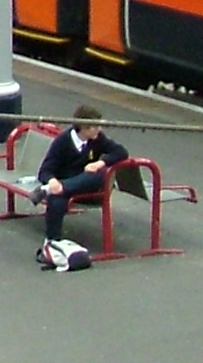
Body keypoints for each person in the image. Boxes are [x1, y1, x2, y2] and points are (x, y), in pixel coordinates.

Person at [34, 107, 131, 260]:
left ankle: (50, 190)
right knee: (57, 199)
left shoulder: (98, 139)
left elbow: (121, 152)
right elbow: (45, 170)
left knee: (100, 174)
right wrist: (52, 181)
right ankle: (52, 243)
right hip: (66, 190)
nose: (100, 129)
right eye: (96, 126)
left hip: (90, 190)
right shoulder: (63, 141)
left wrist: (100, 162)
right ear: (84, 128)